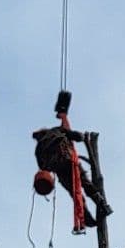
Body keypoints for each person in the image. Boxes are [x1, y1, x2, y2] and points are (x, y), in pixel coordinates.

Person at [31, 90, 104, 234]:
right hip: (69, 161)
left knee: (75, 192)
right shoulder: (56, 131)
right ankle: (100, 201)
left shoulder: (39, 148)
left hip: (59, 170)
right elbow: (73, 135)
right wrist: (81, 137)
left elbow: (42, 168)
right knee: (84, 183)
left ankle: (86, 218)